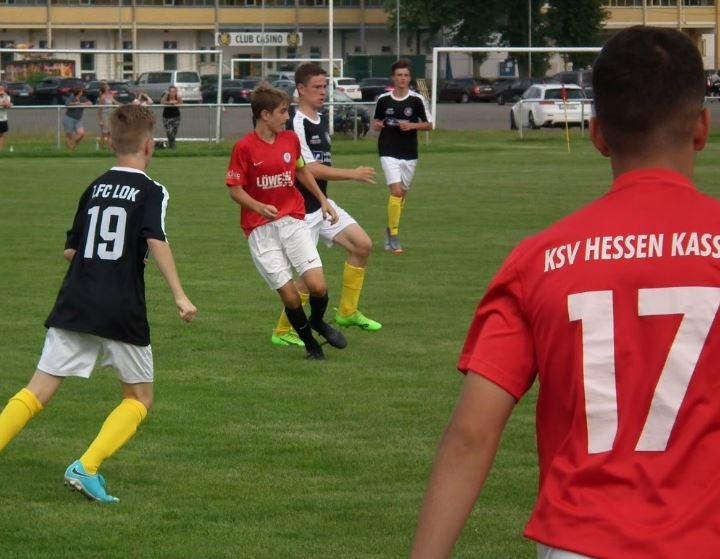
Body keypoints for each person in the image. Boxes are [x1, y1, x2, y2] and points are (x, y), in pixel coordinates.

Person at [411, 26, 720, 559]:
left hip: (581, 541)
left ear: (597, 134)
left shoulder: (538, 260)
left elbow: (471, 435)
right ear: (701, 127)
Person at [0, 104, 197, 503]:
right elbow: (155, 238)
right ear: (149, 145)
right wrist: (179, 294)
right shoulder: (152, 190)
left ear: (110, 142)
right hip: (120, 305)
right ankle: (86, 467)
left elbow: (71, 250)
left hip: (76, 299)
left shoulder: (94, 186)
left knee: (37, 390)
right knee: (138, 398)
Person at [225, 83, 347, 360]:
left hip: (292, 221)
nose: (287, 117)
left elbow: (301, 171)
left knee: (318, 286)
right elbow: (235, 190)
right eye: (282, 112)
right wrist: (258, 206)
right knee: (291, 297)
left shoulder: (290, 140)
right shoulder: (243, 148)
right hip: (260, 229)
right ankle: (312, 346)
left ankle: (318, 321)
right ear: (265, 115)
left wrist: (323, 199)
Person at [270, 63, 380, 349]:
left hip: (321, 205)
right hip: (300, 212)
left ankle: (347, 312)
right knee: (309, 281)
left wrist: (323, 200)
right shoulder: (295, 123)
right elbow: (308, 168)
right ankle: (282, 330)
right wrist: (353, 174)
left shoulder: (320, 119)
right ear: (301, 89)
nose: (323, 92)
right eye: (317, 87)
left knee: (362, 245)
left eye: (324, 86)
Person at [373, 59, 433, 254]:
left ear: (409, 78)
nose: (402, 78)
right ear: (393, 77)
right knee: (396, 191)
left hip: (409, 152)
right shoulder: (384, 99)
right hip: (388, 150)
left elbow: (429, 124)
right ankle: (394, 236)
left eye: (406, 75)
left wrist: (412, 125)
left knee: (401, 195)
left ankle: (389, 228)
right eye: (399, 75)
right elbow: (376, 121)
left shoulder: (417, 99)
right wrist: (378, 125)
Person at [97, 82, 120, 150]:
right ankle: (103, 148)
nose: (108, 86)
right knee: (105, 133)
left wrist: (124, 105)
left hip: (110, 116)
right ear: (104, 88)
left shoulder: (110, 95)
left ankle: (108, 148)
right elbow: (100, 109)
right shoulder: (102, 97)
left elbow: (116, 102)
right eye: (107, 86)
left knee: (109, 132)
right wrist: (100, 120)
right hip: (105, 116)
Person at [0, 83, 12, 151]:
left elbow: (8, 104)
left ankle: (0, 150)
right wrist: (3, 104)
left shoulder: (6, 96)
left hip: (3, 119)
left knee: (1, 135)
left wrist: (7, 104)